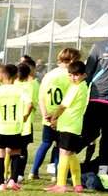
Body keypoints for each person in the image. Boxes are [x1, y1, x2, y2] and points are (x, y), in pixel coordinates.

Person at [32, 48, 79, 178]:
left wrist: (44, 113)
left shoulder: (49, 74)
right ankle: (57, 175)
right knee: (60, 146)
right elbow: (69, 99)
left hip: (48, 116)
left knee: (45, 143)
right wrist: (56, 117)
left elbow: (41, 96)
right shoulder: (71, 77)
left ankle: (33, 171)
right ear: (73, 60)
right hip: (61, 117)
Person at [45, 61, 90, 193]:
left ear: (83, 75)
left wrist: (54, 118)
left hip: (68, 126)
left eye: (76, 75)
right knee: (71, 154)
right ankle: (78, 184)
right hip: (74, 125)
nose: (72, 78)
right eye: (70, 75)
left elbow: (62, 106)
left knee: (63, 154)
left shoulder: (75, 88)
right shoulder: (83, 86)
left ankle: (61, 184)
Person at [0, 63, 31, 190]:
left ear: (2, 76)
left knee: (0, 153)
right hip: (15, 127)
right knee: (15, 153)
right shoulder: (20, 90)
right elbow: (29, 104)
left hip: (1, 127)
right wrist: (25, 116)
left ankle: (1, 183)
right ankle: (13, 181)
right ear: (16, 76)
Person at [82, 35, 108, 171]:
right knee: (88, 134)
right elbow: (88, 72)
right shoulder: (99, 47)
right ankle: (64, 157)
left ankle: (103, 169)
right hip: (97, 99)